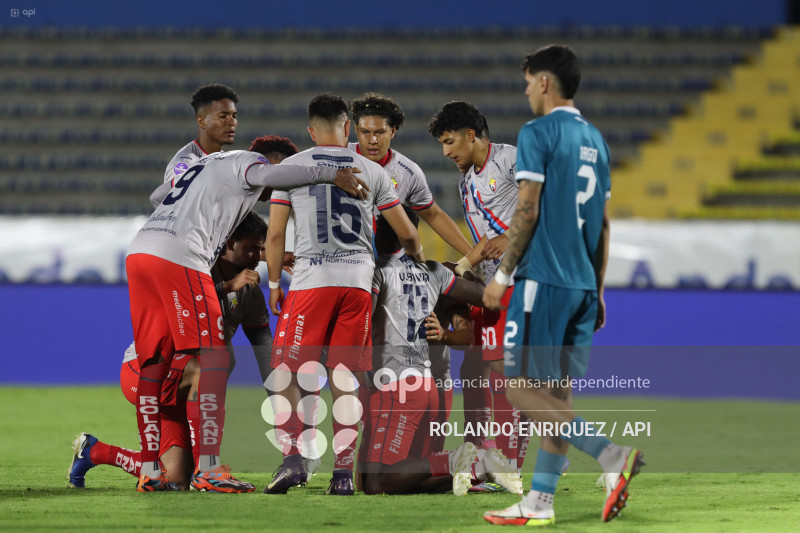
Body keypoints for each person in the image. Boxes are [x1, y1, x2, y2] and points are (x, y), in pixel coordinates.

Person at [123, 119, 368, 493]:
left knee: (155, 363)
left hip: (142, 250)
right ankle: (209, 470)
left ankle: (150, 471)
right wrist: (330, 175)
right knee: (213, 358)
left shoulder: (210, 166)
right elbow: (278, 173)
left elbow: (160, 196)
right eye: (287, 177)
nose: (284, 189)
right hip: (181, 255)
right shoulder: (249, 163)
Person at [482, 45, 644, 527]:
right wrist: (597, 291)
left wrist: (503, 276)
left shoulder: (538, 132)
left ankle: (611, 455)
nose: (527, 90)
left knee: (519, 389)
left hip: (543, 281)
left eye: (529, 81)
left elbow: (527, 209)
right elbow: (605, 226)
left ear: (546, 83)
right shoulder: (597, 139)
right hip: (581, 287)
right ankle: (539, 502)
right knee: (556, 397)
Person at [264, 93, 422, 496]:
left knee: (286, 371)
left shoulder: (293, 167)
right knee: (346, 378)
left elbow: (277, 233)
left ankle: (293, 459)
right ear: (347, 128)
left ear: (311, 132)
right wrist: (417, 264)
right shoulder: (371, 169)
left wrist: (274, 284)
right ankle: (342, 475)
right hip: (357, 282)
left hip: (312, 281)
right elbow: (407, 233)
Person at [68, 211, 273, 490]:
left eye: (262, 248)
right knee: (210, 364)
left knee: (176, 479)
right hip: (142, 371)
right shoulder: (191, 268)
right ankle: (208, 470)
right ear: (228, 245)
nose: (258, 255)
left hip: (184, 388)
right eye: (253, 246)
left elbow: (263, 344)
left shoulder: (251, 293)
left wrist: (278, 390)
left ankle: (94, 451)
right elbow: (188, 303)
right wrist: (226, 287)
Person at [357, 207, 521, 496]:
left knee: (374, 482)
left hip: (395, 384)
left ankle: (473, 460)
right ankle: (477, 472)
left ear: (378, 233)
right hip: (426, 383)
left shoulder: (376, 270)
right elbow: (486, 297)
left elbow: (362, 327)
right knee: (405, 476)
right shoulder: (435, 271)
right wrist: (469, 267)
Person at [428, 101, 529, 473]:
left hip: (521, 279)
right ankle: (483, 447)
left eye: (450, 141)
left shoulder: (510, 159)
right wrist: (465, 267)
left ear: (471, 135)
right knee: (477, 365)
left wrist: (510, 236)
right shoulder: (467, 180)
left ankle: (509, 460)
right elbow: (486, 238)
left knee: (506, 370)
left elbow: (544, 202)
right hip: (491, 285)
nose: (446, 151)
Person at [349, 93, 472, 256]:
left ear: (393, 131)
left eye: (380, 132)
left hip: (386, 266)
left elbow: (433, 215)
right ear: (356, 130)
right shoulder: (337, 158)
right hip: (340, 262)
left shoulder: (407, 172)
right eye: (365, 132)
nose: (372, 140)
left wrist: (471, 256)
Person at [165, 83, 239, 186]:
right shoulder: (186, 163)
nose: (232, 122)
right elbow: (172, 199)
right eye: (223, 116)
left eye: (234, 116)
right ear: (201, 121)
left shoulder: (223, 159)